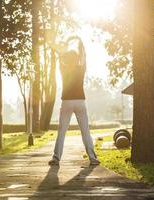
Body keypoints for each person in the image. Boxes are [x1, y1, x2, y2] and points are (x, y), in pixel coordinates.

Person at [47, 36, 100, 166]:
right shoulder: (81, 69)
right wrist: (80, 43)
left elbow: (61, 55)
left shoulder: (63, 69)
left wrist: (66, 42)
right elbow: (84, 56)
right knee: (85, 131)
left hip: (67, 102)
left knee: (62, 131)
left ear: (67, 59)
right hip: (80, 102)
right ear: (77, 59)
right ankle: (92, 158)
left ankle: (56, 158)